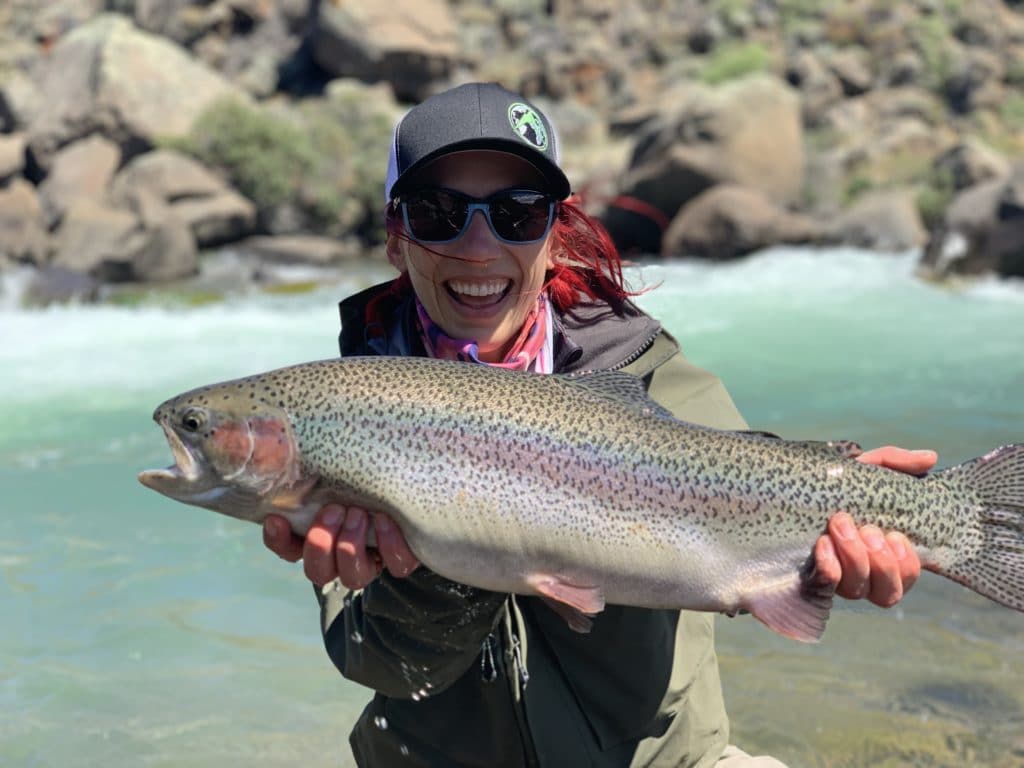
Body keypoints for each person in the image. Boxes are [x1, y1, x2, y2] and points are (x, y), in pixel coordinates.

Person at [263, 82, 935, 767]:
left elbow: (758, 486)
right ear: (396, 238)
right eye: (438, 213)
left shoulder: (652, 379)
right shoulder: (346, 412)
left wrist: (852, 530)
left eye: (516, 214)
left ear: (555, 233)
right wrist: (433, 564)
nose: (477, 244)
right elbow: (388, 669)